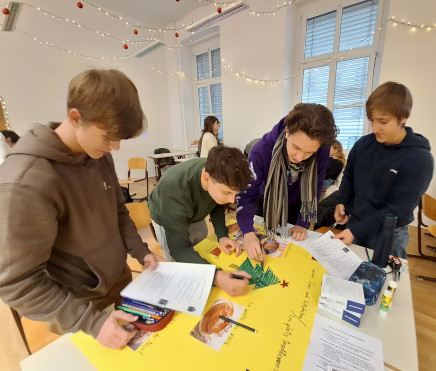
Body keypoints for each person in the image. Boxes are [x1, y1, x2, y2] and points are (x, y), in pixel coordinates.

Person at [0, 69, 165, 350]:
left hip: (121, 286)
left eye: (119, 139)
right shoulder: (25, 182)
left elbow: (118, 211)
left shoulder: (97, 154)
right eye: (108, 137)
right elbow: (18, 283)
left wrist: (142, 252)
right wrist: (92, 323)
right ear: (76, 118)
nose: (114, 147)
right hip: (78, 309)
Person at [333, 81, 434, 258]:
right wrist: (342, 202)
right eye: (372, 120)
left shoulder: (419, 159)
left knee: (383, 282)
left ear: (403, 117)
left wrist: (356, 229)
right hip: (356, 226)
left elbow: (398, 209)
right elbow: (349, 176)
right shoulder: (363, 145)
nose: (374, 128)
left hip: (388, 235)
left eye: (383, 121)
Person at [236, 103, 338, 263]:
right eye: (296, 147)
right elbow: (246, 194)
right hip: (266, 204)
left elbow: (316, 185)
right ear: (288, 132)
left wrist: (302, 223)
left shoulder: (322, 149)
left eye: (309, 152)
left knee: (288, 257)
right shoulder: (261, 151)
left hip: (297, 206)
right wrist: (248, 232)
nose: (300, 157)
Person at [148, 146, 253, 297]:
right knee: (176, 261)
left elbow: (217, 204)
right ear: (206, 178)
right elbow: (178, 249)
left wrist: (222, 235)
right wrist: (216, 276)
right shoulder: (174, 187)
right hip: (166, 214)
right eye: (227, 192)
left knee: (199, 248)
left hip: (193, 211)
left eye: (235, 194)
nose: (231, 200)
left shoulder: (218, 174)